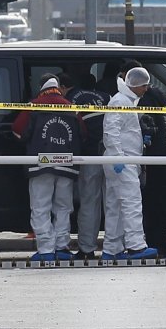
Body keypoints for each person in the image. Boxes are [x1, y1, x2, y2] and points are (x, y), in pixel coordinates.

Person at [12, 75, 84, 262]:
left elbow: (17, 131)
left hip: (40, 165)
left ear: (41, 87)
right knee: (63, 207)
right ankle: (62, 247)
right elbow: (83, 134)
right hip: (67, 165)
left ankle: (45, 250)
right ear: (58, 86)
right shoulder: (71, 107)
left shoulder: (33, 106)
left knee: (40, 207)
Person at [121, 60, 166, 259]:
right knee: (156, 203)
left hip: (150, 157)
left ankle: (152, 243)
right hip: (162, 155)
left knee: (148, 203)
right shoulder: (156, 95)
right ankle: (161, 245)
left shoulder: (139, 99)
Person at [101, 65, 158, 261]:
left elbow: (122, 131)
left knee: (115, 206)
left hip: (122, 159)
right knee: (132, 203)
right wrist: (119, 157)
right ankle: (136, 246)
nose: (146, 89)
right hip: (123, 160)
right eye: (144, 85)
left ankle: (112, 248)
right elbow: (111, 131)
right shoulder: (120, 102)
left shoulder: (126, 101)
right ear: (135, 85)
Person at [57, 72, 110, 261]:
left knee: (89, 203)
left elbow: (74, 131)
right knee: (113, 203)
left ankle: (87, 248)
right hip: (111, 152)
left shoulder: (69, 101)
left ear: (63, 87)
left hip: (89, 156)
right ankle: (114, 248)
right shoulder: (104, 97)